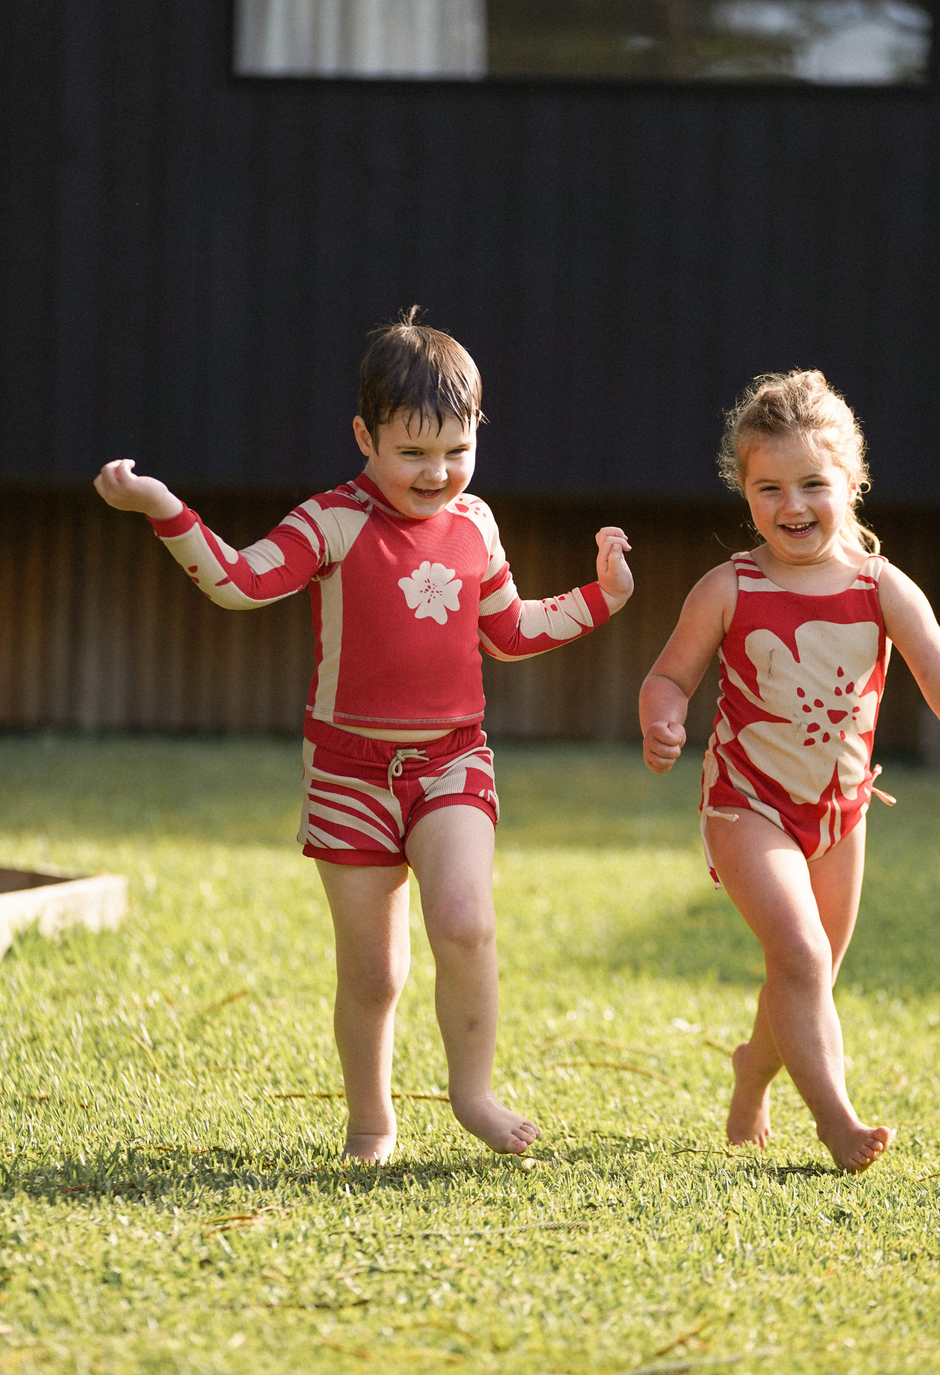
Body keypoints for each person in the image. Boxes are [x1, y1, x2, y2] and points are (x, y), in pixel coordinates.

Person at [94, 311, 634, 1163]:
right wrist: (160, 506)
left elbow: (509, 630)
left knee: (465, 921)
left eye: (457, 450)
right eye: (413, 452)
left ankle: (473, 1093)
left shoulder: (476, 524)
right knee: (375, 972)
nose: (437, 472)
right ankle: (371, 1121)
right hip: (348, 773)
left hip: (452, 760)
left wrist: (602, 596)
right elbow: (238, 581)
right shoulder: (331, 521)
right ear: (363, 437)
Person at [639, 369, 940, 1173]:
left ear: (852, 483)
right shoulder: (728, 588)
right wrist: (662, 717)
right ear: (745, 493)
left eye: (812, 484)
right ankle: (837, 1119)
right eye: (769, 488)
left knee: (809, 971)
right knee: (798, 951)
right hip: (747, 805)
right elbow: (669, 675)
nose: (792, 504)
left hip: (839, 812)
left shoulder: (882, 588)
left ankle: (752, 1071)